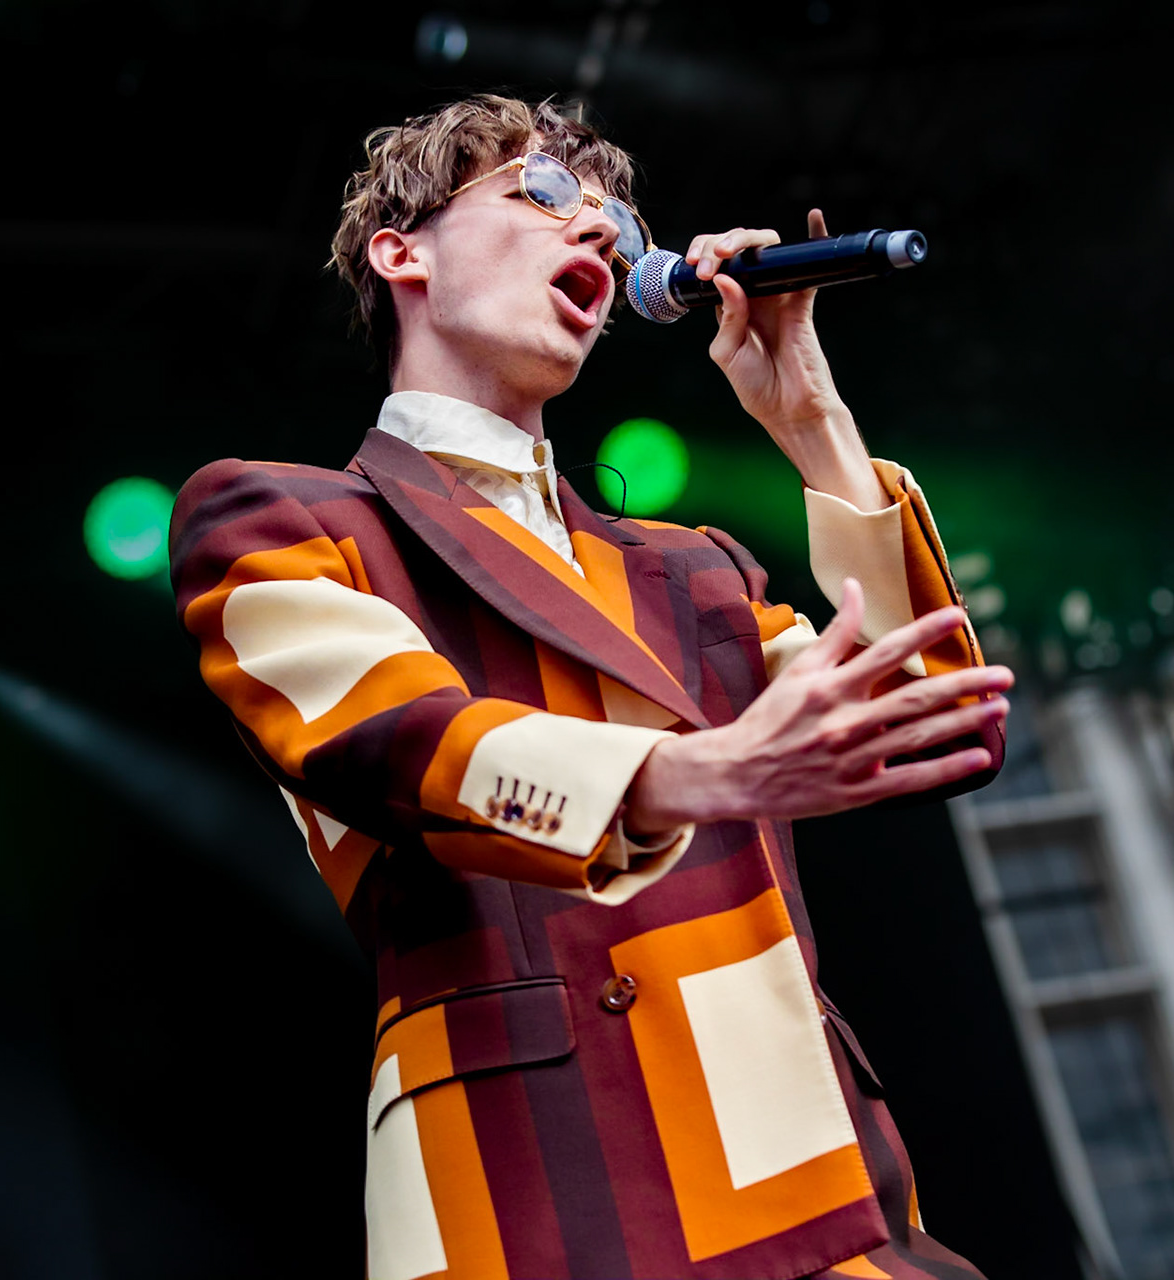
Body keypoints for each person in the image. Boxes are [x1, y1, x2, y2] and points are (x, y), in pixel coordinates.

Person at [170, 93, 1011, 1280]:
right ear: (402, 253)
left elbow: (941, 724)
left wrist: (811, 417)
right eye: (545, 193)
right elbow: (400, 739)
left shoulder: (693, 568)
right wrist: (694, 770)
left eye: (617, 224)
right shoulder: (284, 519)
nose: (600, 234)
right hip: (539, 1184)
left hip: (815, 1178)